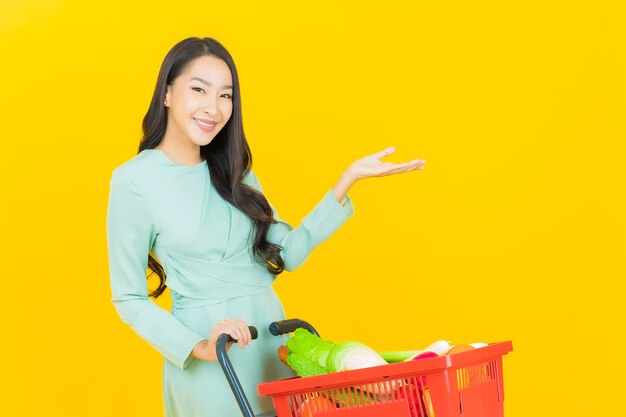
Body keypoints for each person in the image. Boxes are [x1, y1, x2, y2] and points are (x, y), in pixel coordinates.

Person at [106, 36, 426, 417]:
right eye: (198, 90)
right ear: (167, 94)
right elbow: (129, 299)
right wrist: (198, 347)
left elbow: (287, 254)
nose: (213, 107)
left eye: (225, 96)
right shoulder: (135, 181)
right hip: (213, 359)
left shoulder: (236, 172)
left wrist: (346, 183)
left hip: (273, 348)